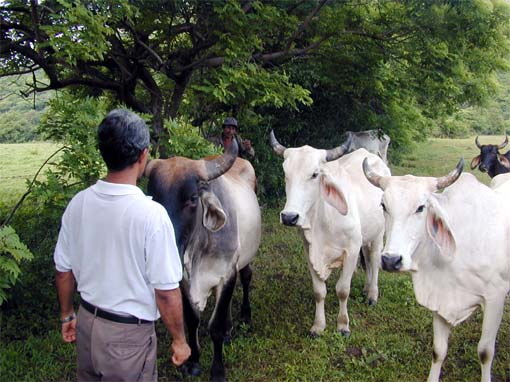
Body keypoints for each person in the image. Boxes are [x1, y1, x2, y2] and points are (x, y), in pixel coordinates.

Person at [54, 109, 191, 381]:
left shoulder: (78, 203)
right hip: (128, 338)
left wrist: (67, 314)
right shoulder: (151, 216)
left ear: (103, 153)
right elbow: (166, 292)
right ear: (143, 155)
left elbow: (63, 271)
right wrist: (179, 339)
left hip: (87, 324)